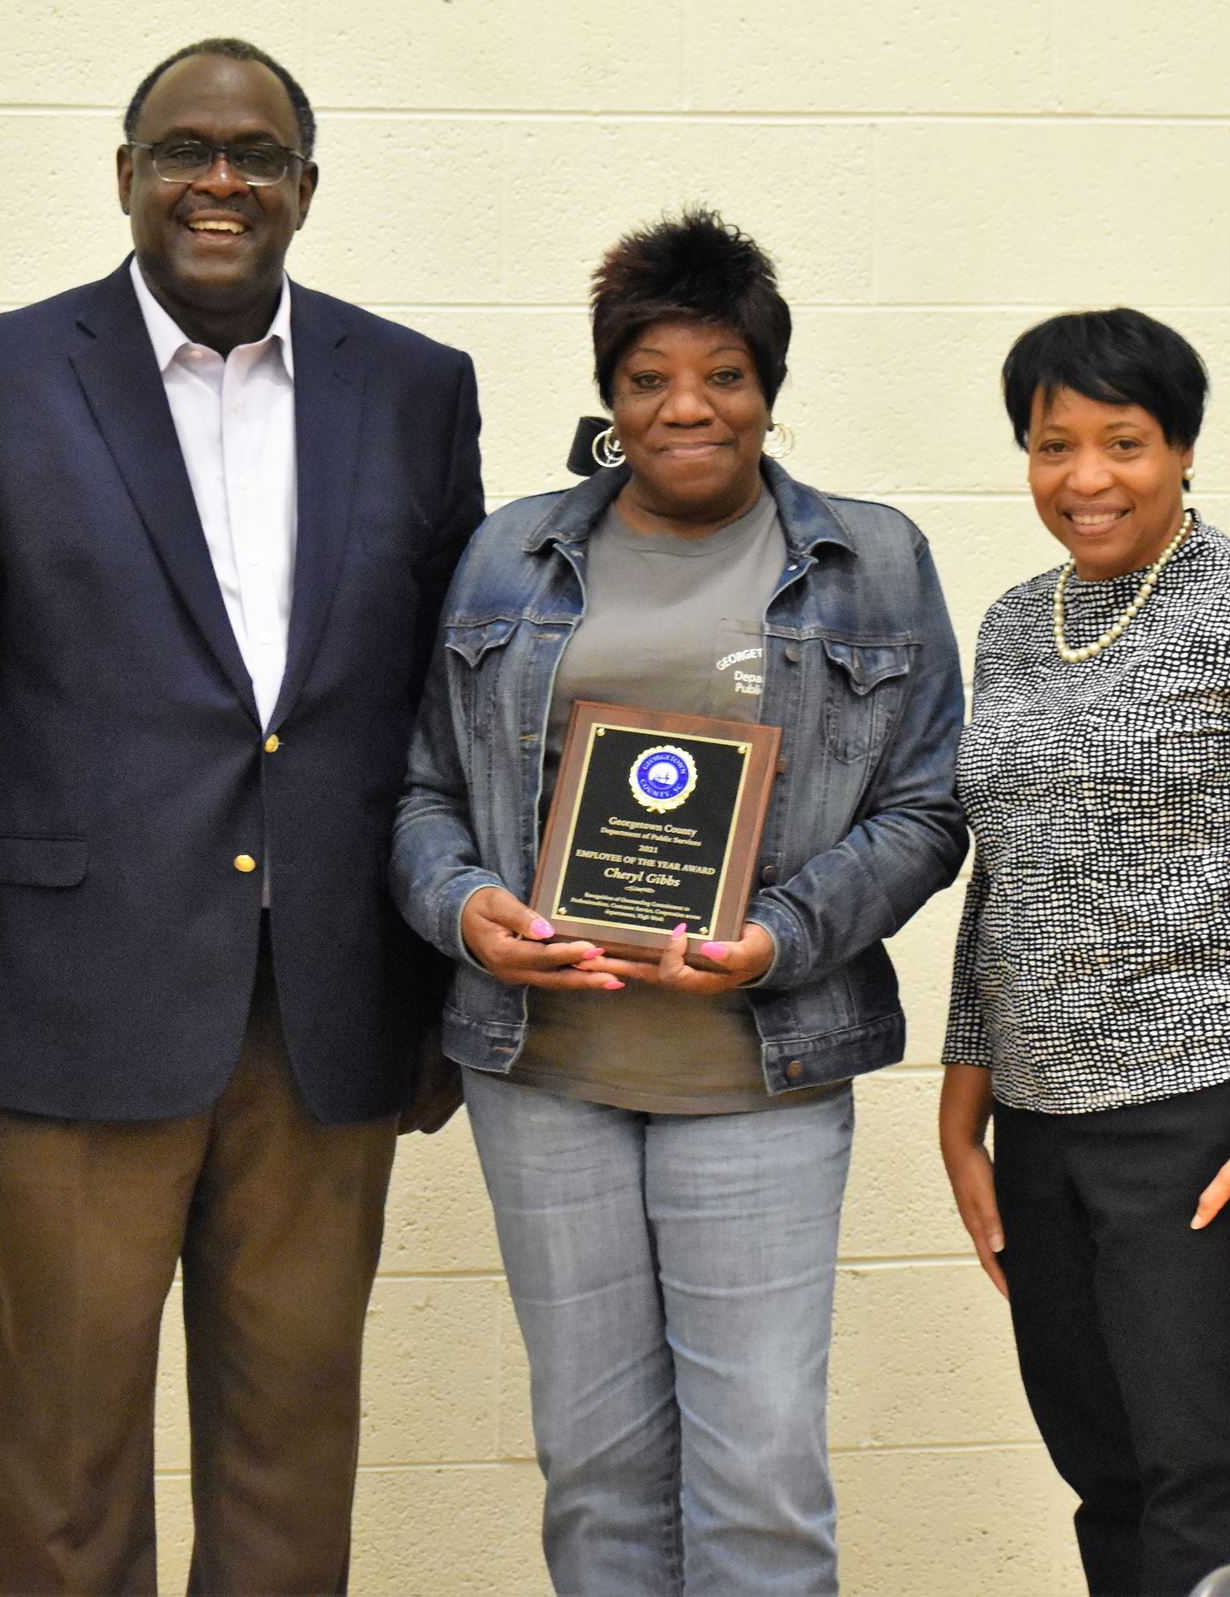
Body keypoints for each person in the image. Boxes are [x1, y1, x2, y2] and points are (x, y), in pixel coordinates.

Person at [0, 37, 484, 1595]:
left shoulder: (414, 389)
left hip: (333, 1011)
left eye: (258, 155)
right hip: (68, 1012)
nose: (223, 179)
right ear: (128, 175)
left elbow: (448, 721)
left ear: (306, 188)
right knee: (60, 1478)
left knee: (294, 1463)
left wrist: (443, 992)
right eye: (186, 149)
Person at [392, 210, 965, 1594]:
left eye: (722, 373)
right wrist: (467, 910)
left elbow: (929, 808)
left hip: (760, 1073)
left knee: (760, 1481)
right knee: (595, 1476)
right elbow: (420, 794)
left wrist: (786, 934)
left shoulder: (870, 561)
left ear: (770, 388)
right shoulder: (505, 556)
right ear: (609, 393)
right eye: (648, 376)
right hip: (550, 1075)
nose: (685, 406)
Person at [940, 307, 1230, 1596]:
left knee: (1208, 1486)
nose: (1086, 479)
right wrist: (966, 1114)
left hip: (1220, 1119)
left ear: (1181, 447)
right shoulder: (1018, 624)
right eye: (1052, 444)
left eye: (1122, 442)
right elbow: (1000, 874)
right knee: (1108, 1479)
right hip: (1042, 1124)